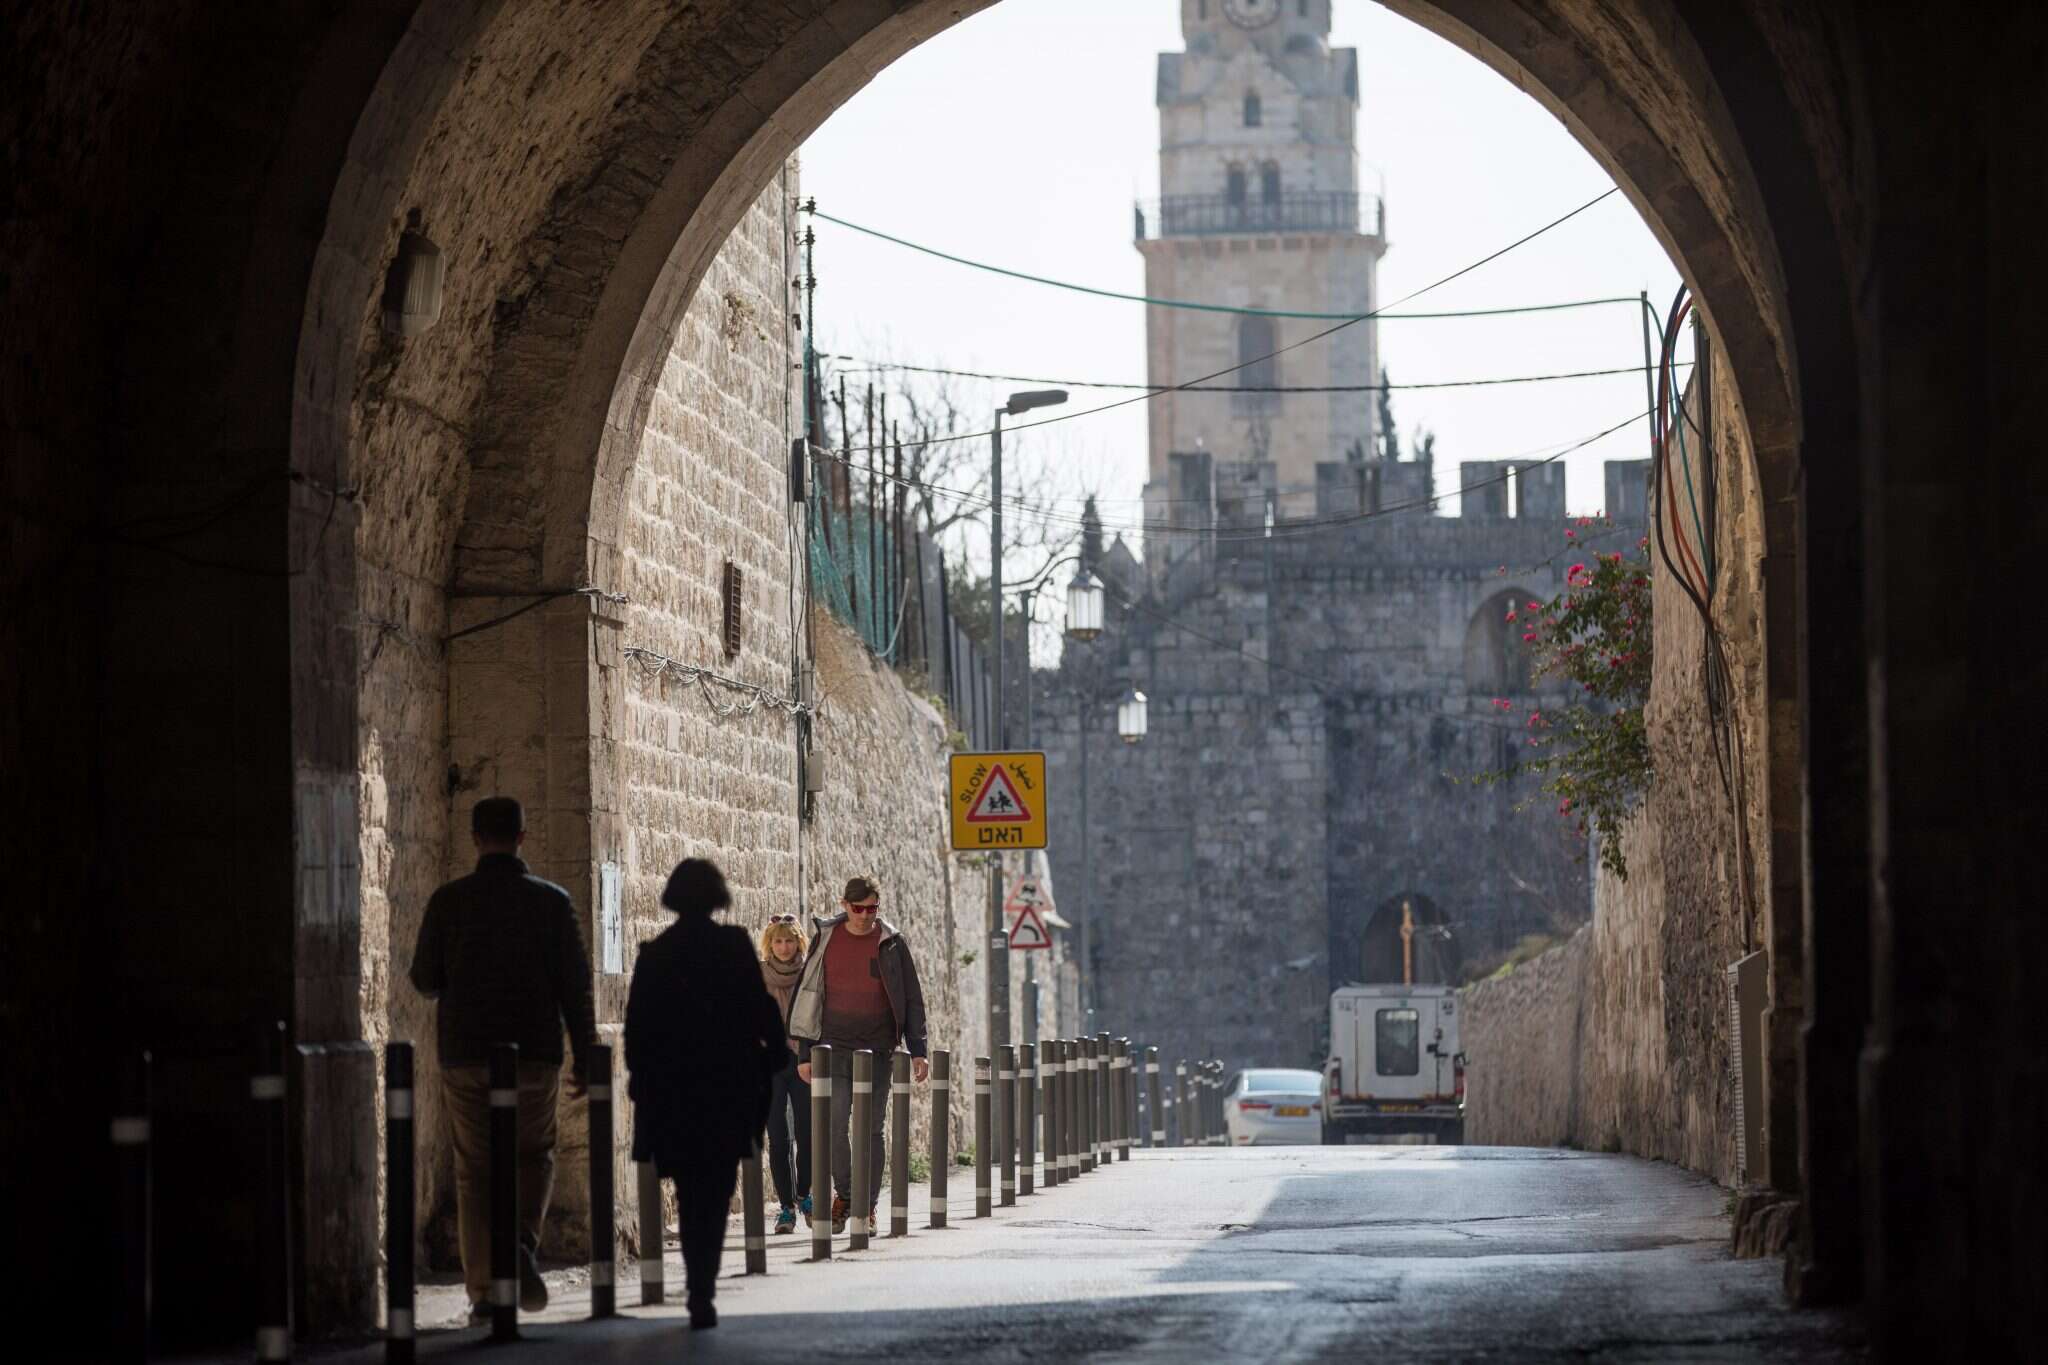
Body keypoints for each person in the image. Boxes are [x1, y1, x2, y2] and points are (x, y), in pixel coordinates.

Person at [408, 796, 597, 1325]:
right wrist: (584, 1055)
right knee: (533, 1153)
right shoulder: (552, 903)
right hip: (534, 1052)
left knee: (475, 1169)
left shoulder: (449, 902)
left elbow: (424, 979)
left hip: (466, 1052)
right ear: (521, 836)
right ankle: (520, 1243)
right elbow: (575, 988)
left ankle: (484, 1291)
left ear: (474, 839)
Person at [625, 859, 785, 1330]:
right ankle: (702, 1288)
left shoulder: (655, 954)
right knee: (715, 1189)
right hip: (725, 1089)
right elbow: (761, 1011)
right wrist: (771, 1056)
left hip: (674, 1092)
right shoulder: (734, 947)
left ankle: (699, 1283)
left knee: (689, 1186)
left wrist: (645, 1080)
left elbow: (638, 1031)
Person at [790, 876, 930, 1235]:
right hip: (833, 1047)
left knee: (871, 1130)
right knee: (834, 1125)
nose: (866, 916)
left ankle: (866, 1207)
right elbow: (807, 995)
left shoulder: (892, 944)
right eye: (858, 908)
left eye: (872, 909)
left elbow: (912, 998)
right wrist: (805, 1053)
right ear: (844, 905)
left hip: (878, 1049)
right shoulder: (825, 939)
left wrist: (918, 1050)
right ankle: (847, 1195)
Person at [758, 913, 812, 1233]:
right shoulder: (759, 975)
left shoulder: (809, 973)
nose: (783, 946)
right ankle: (786, 1207)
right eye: (778, 940)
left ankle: (805, 1194)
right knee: (778, 1137)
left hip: (803, 1059)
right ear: (770, 943)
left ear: (798, 942)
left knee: (807, 1133)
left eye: (789, 940)